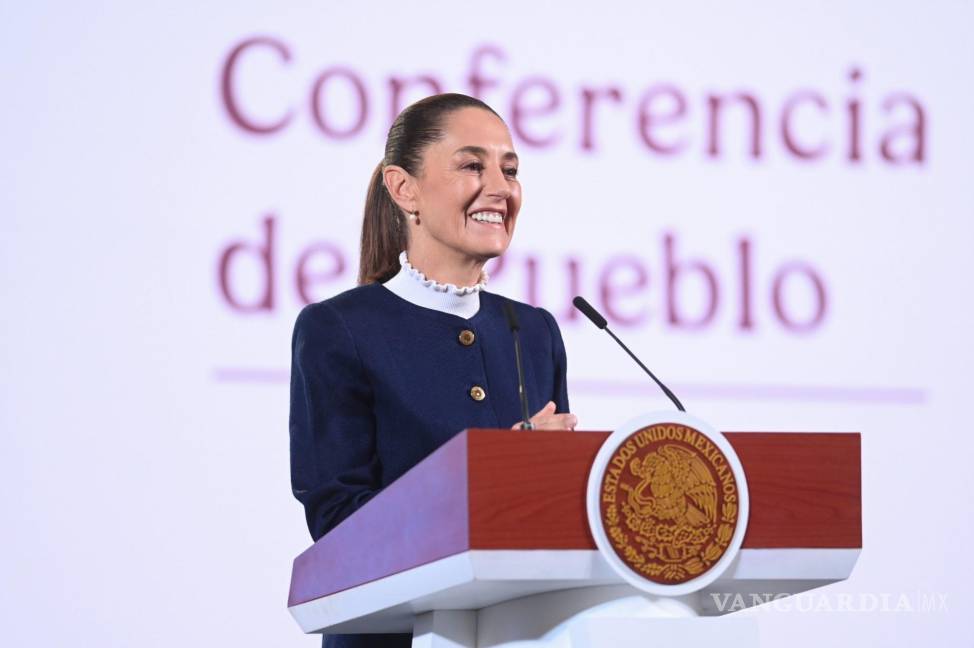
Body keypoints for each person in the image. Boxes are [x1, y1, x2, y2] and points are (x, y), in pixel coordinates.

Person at [289, 93, 578, 648]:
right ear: (404, 189)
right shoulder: (339, 329)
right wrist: (499, 470)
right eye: (472, 166)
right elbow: (340, 523)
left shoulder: (535, 331)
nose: (500, 187)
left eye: (510, 170)